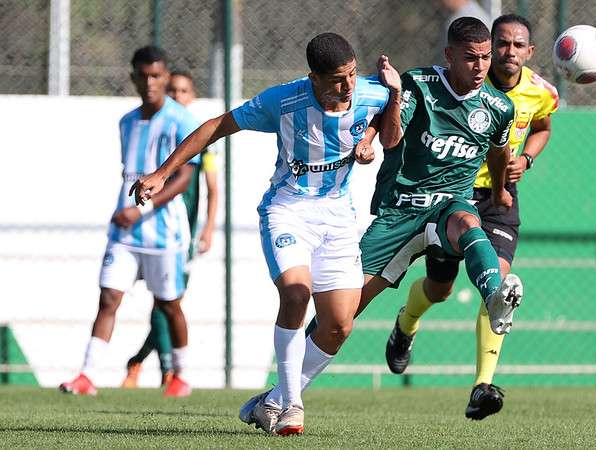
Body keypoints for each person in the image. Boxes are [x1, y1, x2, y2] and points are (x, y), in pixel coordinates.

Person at [240, 16, 523, 429]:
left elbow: (498, 151)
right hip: (399, 213)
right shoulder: (419, 84)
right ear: (449, 56)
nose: (480, 66)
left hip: (450, 205)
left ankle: (495, 296)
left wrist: (498, 191)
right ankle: (280, 396)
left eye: (484, 57)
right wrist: (371, 138)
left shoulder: (499, 106)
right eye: (470, 58)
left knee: (467, 222)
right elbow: (387, 130)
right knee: (340, 317)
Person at [131, 33, 396, 436]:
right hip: (287, 210)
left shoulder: (373, 92)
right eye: (338, 79)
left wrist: (374, 131)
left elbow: (387, 125)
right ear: (314, 79)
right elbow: (217, 126)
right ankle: (292, 406)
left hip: (339, 217)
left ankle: (272, 401)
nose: (348, 87)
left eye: (353, 75)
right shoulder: (284, 100)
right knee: (295, 292)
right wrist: (162, 172)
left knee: (339, 325)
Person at [388, 14, 558, 420]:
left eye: (518, 46)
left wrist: (527, 159)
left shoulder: (540, 93)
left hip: (498, 198)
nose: (508, 52)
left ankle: (482, 385)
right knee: (439, 289)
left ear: (530, 52)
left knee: (495, 287)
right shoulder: (462, 85)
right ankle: (405, 325)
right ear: (487, 46)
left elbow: (543, 127)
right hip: (451, 196)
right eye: (501, 44)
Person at [59, 46, 199, 398]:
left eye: (157, 76)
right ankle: (87, 376)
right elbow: (130, 176)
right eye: (144, 76)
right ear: (133, 78)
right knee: (108, 298)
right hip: (124, 230)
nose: (150, 83)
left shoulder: (181, 121)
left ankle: (182, 375)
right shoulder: (126, 122)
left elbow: (184, 179)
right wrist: (128, 210)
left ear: (166, 78)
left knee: (169, 304)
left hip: (163, 231)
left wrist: (143, 209)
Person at [122, 70, 219, 389]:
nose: (177, 96)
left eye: (183, 91)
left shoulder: (203, 141)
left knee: (168, 300)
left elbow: (213, 188)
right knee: (164, 301)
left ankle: (143, 362)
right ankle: (160, 368)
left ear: (192, 96)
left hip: (183, 232)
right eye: (173, 90)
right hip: (148, 226)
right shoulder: (160, 134)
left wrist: (207, 229)